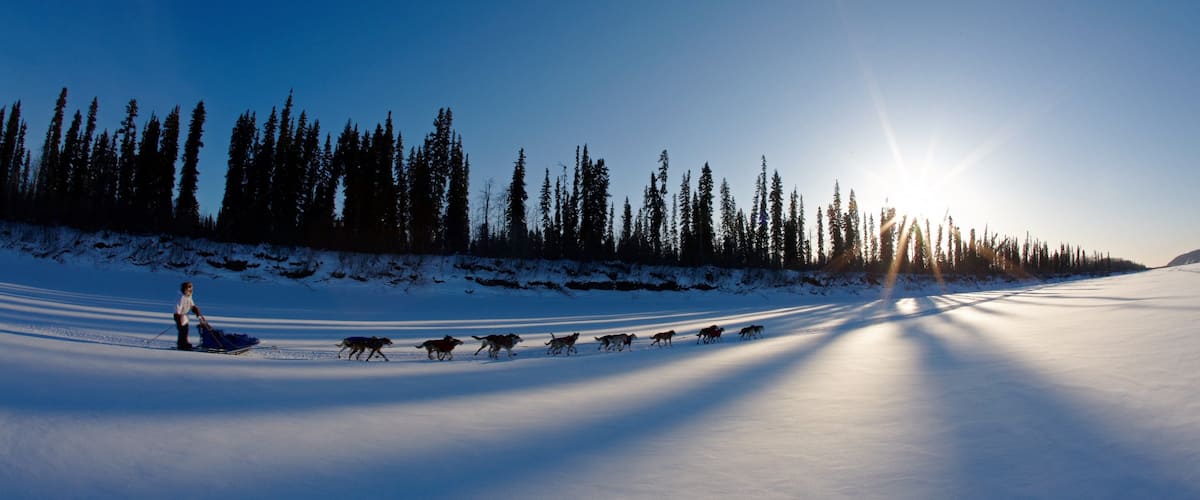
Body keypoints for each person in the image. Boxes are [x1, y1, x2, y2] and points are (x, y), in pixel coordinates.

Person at [173, 281, 202, 351]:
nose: (190, 291)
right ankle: (181, 344)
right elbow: (178, 306)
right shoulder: (181, 296)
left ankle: (184, 342)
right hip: (179, 315)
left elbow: (192, 305)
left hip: (185, 315)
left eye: (191, 289)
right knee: (182, 330)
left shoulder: (189, 296)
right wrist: (178, 316)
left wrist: (196, 310)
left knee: (186, 329)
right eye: (188, 289)